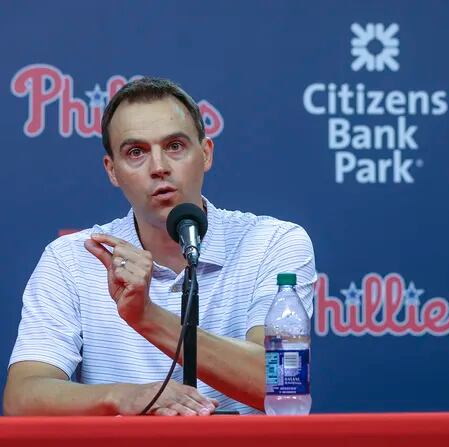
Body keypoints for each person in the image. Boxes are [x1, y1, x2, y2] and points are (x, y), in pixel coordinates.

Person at [4, 77, 317, 416]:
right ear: (112, 171)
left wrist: (147, 317)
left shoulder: (272, 242)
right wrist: (124, 397)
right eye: (136, 152)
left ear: (206, 154)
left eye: (175, 146)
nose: (159, 168)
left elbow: (280, 382)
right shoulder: (72, 258)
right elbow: (22, 398)